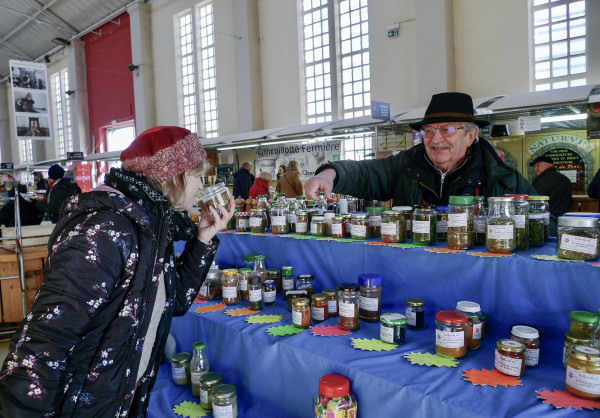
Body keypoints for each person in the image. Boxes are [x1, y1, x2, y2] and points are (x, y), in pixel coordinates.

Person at [0, 126, 233, 416]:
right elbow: (44, 345)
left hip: (119, 399)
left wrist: (202, 239)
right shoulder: (104, 231)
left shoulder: (152, 225)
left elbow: (176, 303)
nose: (201, 186)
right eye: (197, 176)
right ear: (173, 176)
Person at [304, 92, 537, 206]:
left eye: (446, 130)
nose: (435, 139)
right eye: (428, 131)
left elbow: (545, 220)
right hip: (415, 273)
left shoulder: (503, 179)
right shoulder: (407, 165)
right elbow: (366, 173)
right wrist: (329, 174)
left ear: (470, 135)